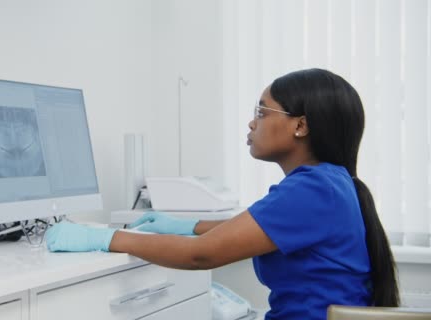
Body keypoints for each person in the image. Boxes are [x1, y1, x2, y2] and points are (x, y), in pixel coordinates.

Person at [44, 68, 400, 320]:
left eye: (262, 111)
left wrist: (103, 237)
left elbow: (203, 257)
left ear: (301, 125)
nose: (251, 123)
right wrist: (185, 225)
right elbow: (255, 228)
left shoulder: (313, 189)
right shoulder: (330, 183)